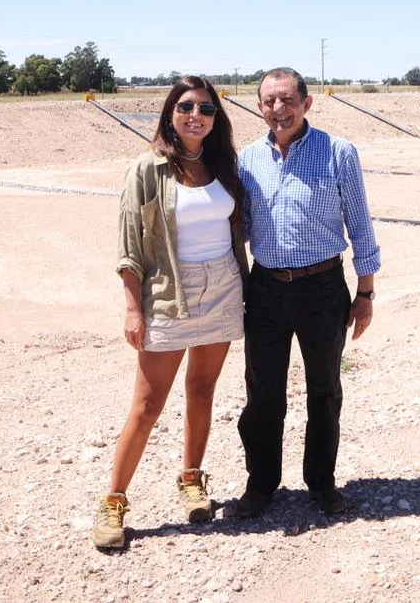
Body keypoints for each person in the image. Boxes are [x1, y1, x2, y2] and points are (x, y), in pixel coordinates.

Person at [94, 76, 250, 549]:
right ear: (170, 113)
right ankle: (114, 503)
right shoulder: (147, 168)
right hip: (168, 292)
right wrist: (131, 307)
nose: (195, 115)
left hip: (222, 286)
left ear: (215, 117)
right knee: (146, 405)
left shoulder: (223, 164)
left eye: (206, 108)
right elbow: (129, 246)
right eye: (185, 107)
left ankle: (191, 480)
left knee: (202, 389)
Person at [234, 67, 381, 519]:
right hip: (266, 289)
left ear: (306, 102)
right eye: (269, 101)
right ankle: (261, 485)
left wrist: (366, 292)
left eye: (287, 100)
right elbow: (237, 229)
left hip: (322, 289)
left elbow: (360, 222)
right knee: (263, 394)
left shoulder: (339, 152)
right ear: (259, 107)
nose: (278, 109)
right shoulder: (246, 160)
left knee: (324, 390)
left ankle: (322, 484)